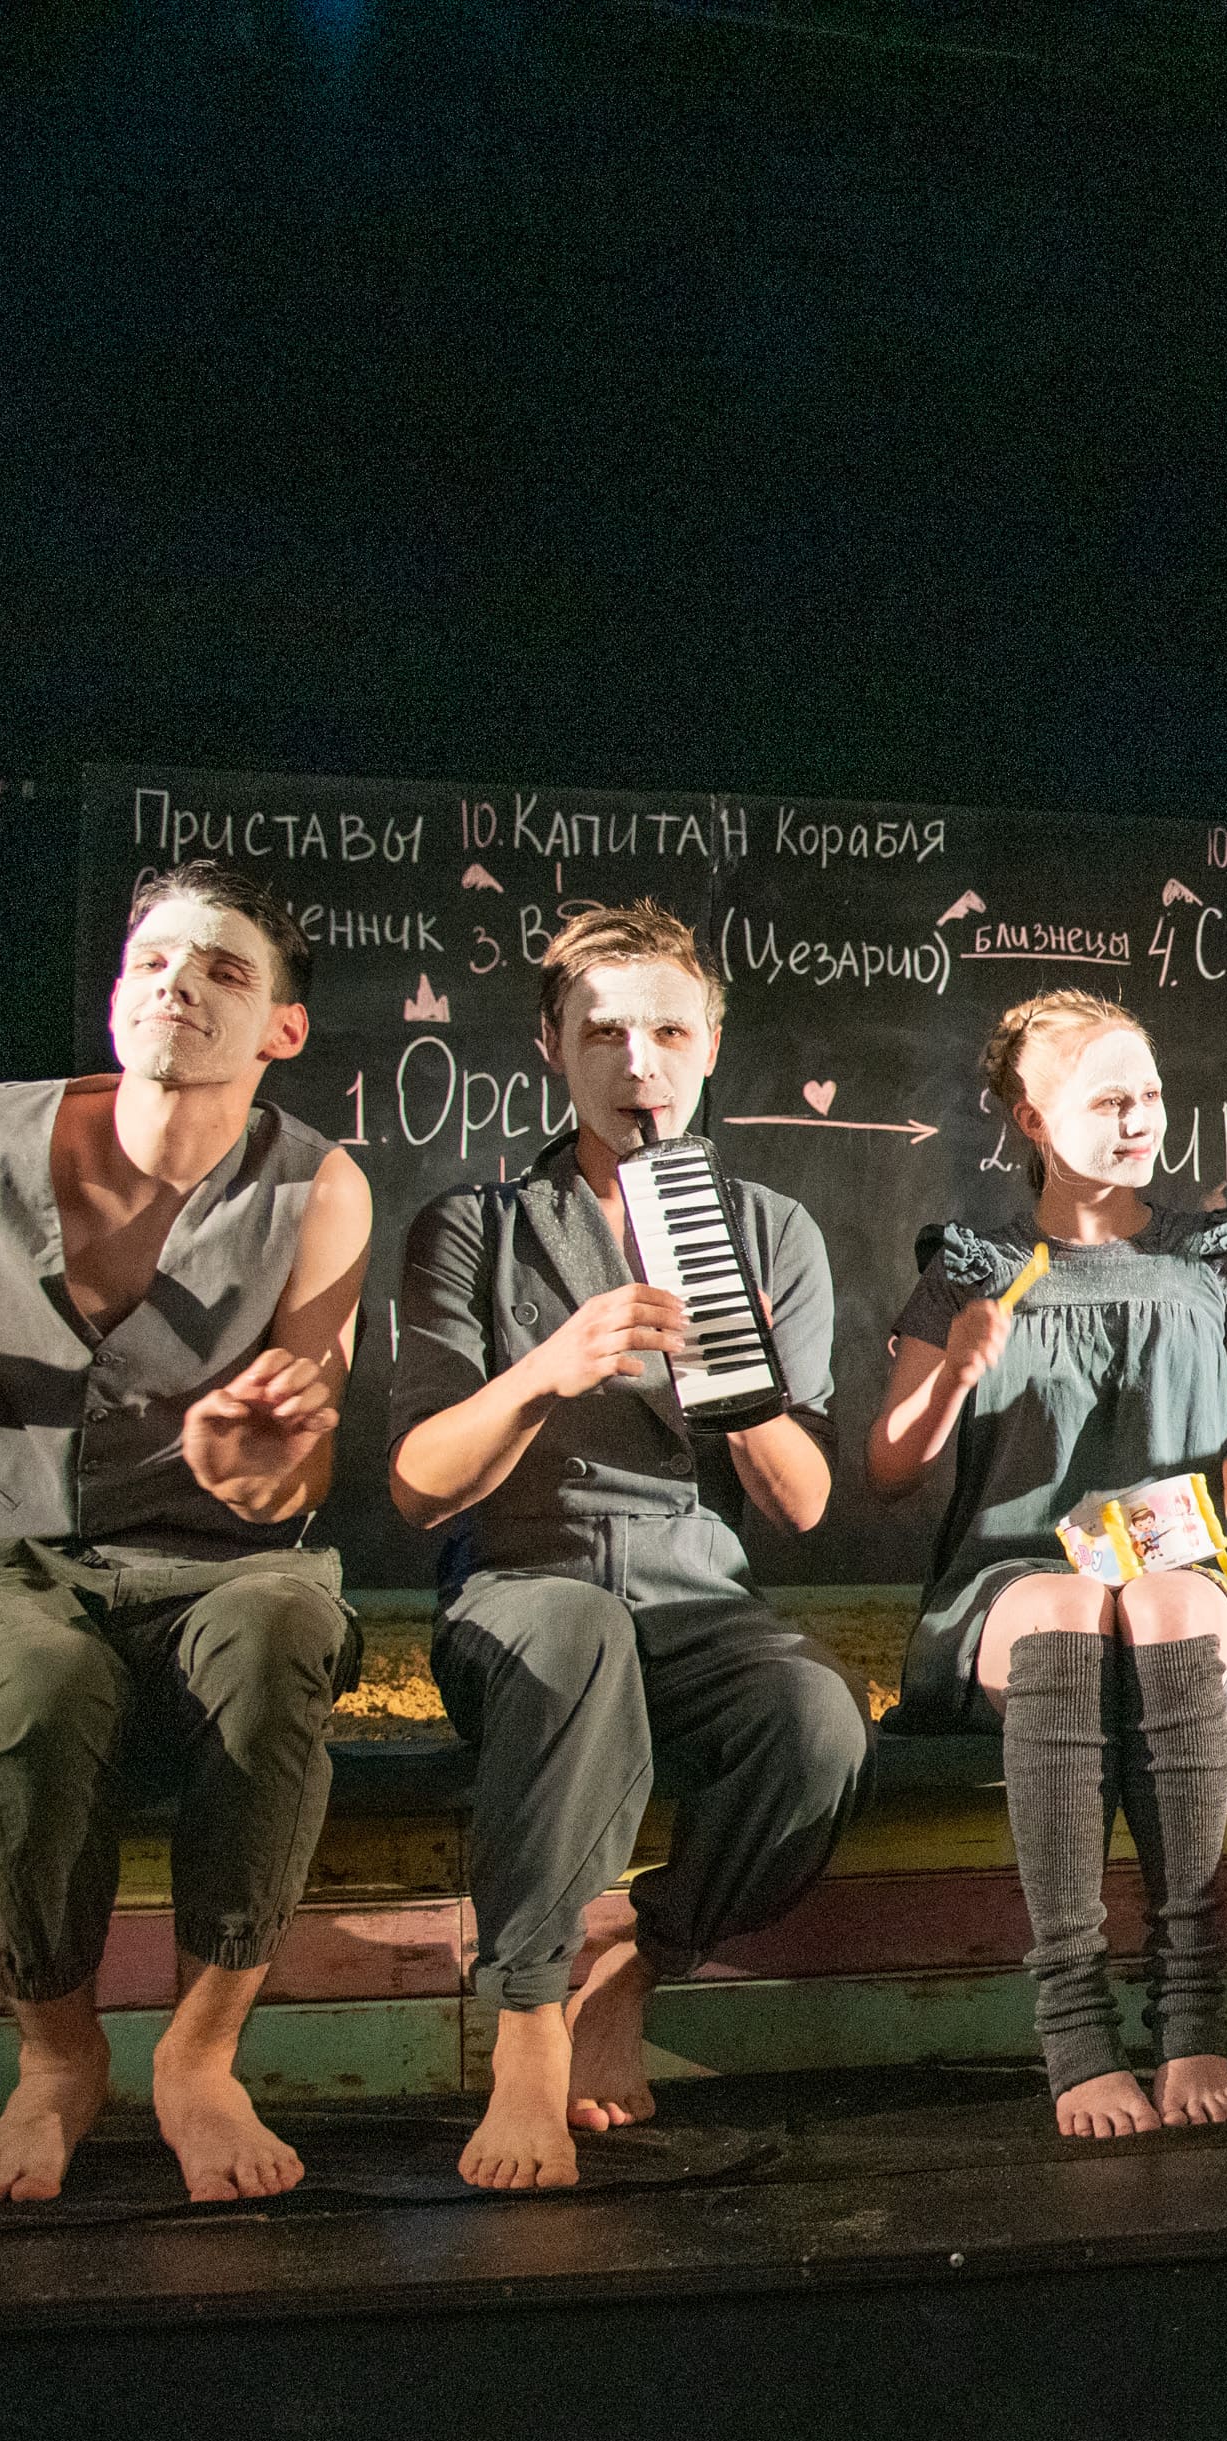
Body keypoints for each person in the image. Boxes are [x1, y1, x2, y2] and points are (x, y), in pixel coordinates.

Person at [0, 862, 371, 2205]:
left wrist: (258, 1467)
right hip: (14, 1564)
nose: (178, 985)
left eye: (224, 970)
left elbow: (305, 1456)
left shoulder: (317, 1185)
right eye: (153, 961)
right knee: (40, 1688)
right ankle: (57, 2057)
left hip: (225, 1564)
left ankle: (200, 2057)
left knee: (283, 1630)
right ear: (118, 994)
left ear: (282, 1028)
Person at [389, 901, 867, 2193]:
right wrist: (546, 1368)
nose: (637, 1061)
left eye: (667, 1031)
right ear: (552, 1046)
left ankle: (639, 1968)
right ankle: (528, 2031)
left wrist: (740, 1380)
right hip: (524, 1585)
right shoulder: (473, 1225)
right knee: (577, 1630)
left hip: (697, 1593)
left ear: (710, 1045)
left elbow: (803, 1505)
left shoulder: (770, 1231)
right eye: (602, 1032)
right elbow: (422, 1487)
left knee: (818, 1722)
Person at [868, 991, 1227, 2139]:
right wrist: (954, 1376)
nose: (1139, 1120)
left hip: (1179, 1571)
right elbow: (889, 1467)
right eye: (1108, 1100)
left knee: (1163, 1607)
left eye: (1150, 1096)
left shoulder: (1215, 1251)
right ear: (1031, 1118)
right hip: (1015, 1582)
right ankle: (1071, 2022)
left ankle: (1190, 2006)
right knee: (1072, 1604)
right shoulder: (971, 1266)